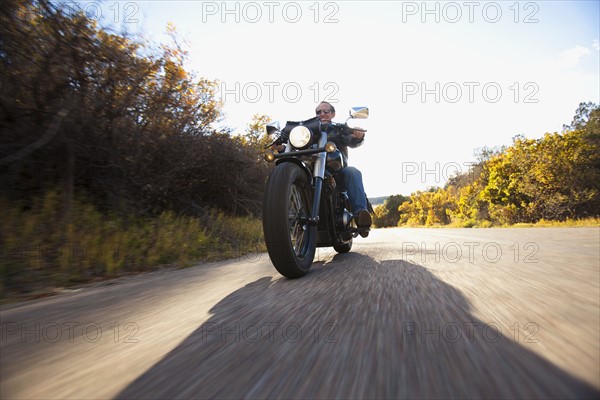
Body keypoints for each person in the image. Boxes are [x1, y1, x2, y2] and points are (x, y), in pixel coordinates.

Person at [315, 101, 372, 233]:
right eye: (318, 112)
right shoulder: (309, 131)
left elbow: (352, 141)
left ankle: (360, 215)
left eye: (325, 111)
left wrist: (358, 135)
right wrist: (281, 146)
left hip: (338, 173)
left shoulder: (340, 129)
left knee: (352, 171)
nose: (322, 114)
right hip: (312, 172)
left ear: (333, 114)